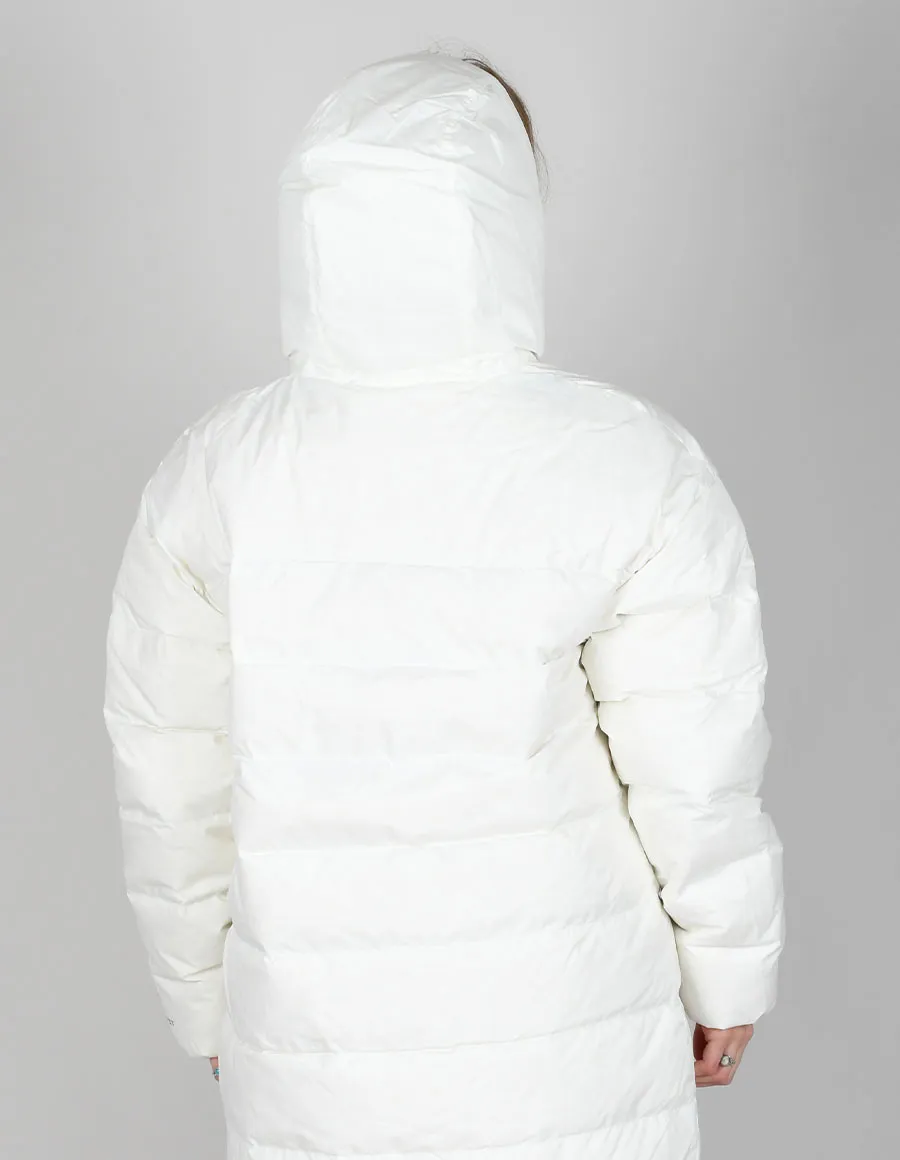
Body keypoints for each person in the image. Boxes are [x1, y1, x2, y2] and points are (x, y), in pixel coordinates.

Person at [103, 48, 785, 1160]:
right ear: (503, 217)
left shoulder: (215, 472)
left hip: (314, 1056)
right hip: (570, 1042)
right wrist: (729, 965)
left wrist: (201, 997)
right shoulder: (630, 461)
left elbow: (171, 774)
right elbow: (694, 764)